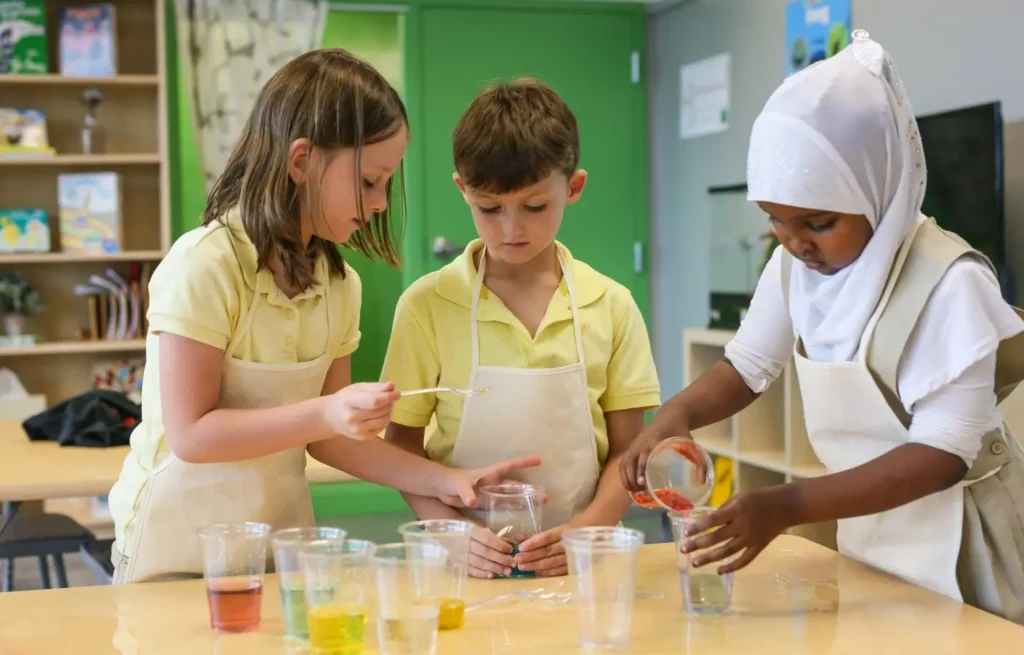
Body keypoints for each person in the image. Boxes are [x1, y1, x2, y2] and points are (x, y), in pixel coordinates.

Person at [620, 31, 1024, 624]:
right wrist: (677, 415)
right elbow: (748, 365)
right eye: (774, 222)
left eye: (818, 221)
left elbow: (943, 453)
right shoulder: (794, 268)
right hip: (872, 533)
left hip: (964, 546)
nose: (794, 243)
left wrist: (786, 504)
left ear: (879, 186)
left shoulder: (950, 282)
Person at [107, 50, 540, 584]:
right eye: (369, 182)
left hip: (274, 543)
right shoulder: (206, 265)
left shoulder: (339, 285)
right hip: (171, 552)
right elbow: (193, 435)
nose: (381, 203)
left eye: (386, 183)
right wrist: (326, 412)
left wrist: (445, 480)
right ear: (301, 161)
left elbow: (332, 441)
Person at [382, 79, 661, 578]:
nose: (511, 229)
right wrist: (448, 532)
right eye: (489, 208)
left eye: (534, 207)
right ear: (462, 190)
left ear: (573, 188)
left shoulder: (611, 306)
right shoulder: (427, 306)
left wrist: (589, 531)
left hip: (580, 565)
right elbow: (402, 444)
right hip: (465, 565)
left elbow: (627, 451)